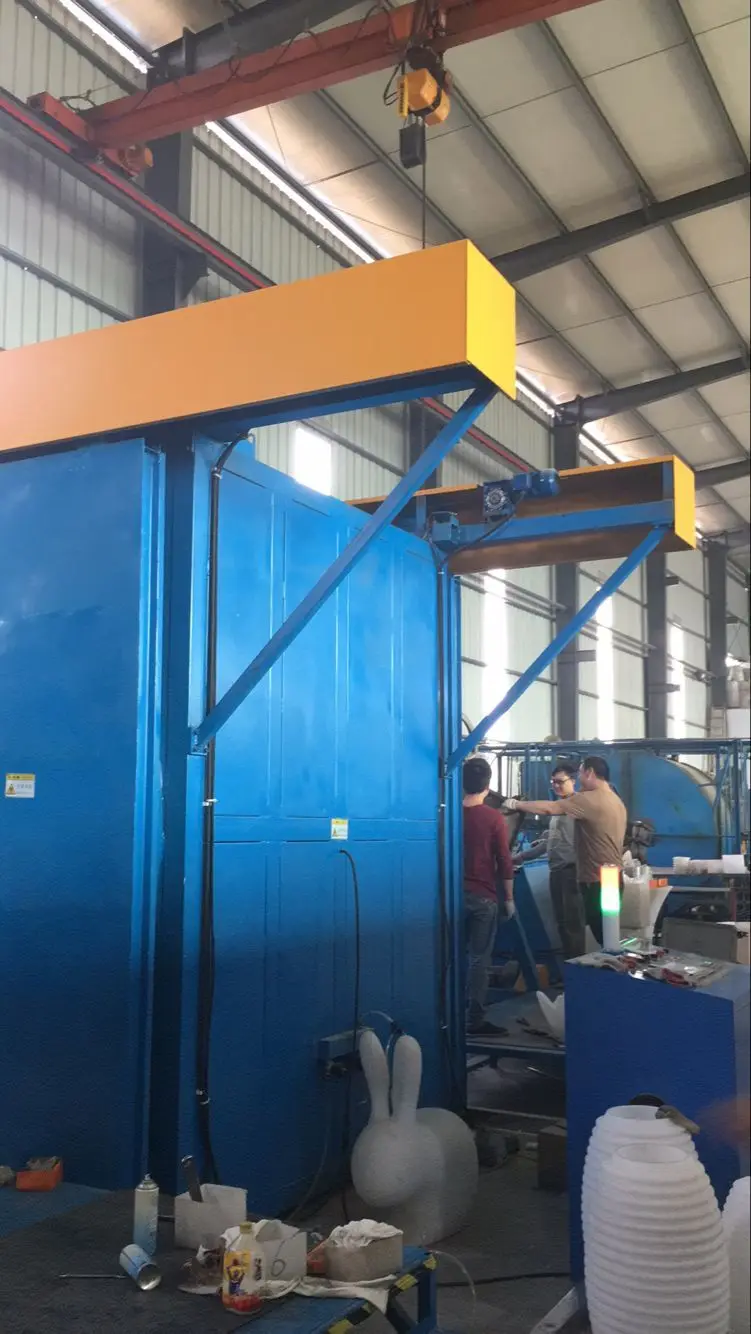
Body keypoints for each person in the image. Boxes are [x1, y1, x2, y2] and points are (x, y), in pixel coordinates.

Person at [504, 756, 626, 949]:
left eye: (581, 773)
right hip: (610, 875)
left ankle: (600, 966)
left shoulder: (587, 800)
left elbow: (549, 808)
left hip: (597, 878)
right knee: (606, 934)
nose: (556, 785)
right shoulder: (614, 799)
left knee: (597, 933)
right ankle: (606, 964)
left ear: (589, 773)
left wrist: (515, 804)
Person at [463, 756, 515, 1034]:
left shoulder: (447, 815)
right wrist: (509, 898)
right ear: (488, 785)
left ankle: (448, 1016)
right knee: (479, 960)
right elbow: (504, 861)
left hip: (450, 896)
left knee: (450, 956)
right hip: (483, 897)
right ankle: (474, 1020)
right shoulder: (493, 818)